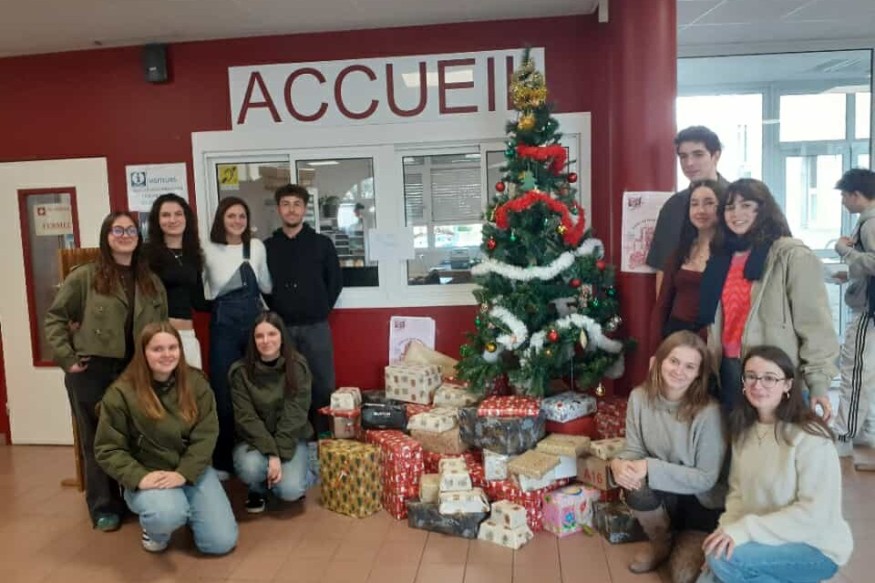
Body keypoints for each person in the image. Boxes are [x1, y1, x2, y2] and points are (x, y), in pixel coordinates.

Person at [45, 211, 167, 532]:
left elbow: (162, 327)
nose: (125, 235)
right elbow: (55, 318)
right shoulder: (85, 277)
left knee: (137, 436)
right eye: (117, 230)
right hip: (92, 369)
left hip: (136, 370)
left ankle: (136, 498)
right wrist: (67, 358)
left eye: (130, 230)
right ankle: (104, 507)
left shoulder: (150, 280)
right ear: (106, 236)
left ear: (138, 237)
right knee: (97, 439)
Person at [700, 346, 853, 583]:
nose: (757, 385)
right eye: (751, 376)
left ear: (787, 385)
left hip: (814, 546)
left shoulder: (810, 436)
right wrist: (724, 534)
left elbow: (814, 515)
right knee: (712, 567)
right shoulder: (744, 431)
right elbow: (737, 497)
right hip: (766, 539)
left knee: (723, 562)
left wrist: (743, 532)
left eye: (769, 378)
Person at [94, 322, 237, 555]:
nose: (167, 354)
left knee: (220, 543)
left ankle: (192, 512)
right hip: (152, 475)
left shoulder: (196, 383)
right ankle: (155, 531)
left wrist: (184, 473)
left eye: (172, 347)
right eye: (157, 349)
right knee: (167, 514)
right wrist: (139, 478)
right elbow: (108, 449)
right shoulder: (121, 393)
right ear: (143, 353)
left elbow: (206, 435)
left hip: (191, 471)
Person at [699, 178, 838, 415]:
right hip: (728, 369)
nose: (736, 214)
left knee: (778, 446)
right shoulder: (722, 257)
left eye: (746, 205)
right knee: (738, 446)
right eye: (730, 207)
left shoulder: (791, 255)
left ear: (763, 209)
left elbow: (816, 327)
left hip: (775, 374)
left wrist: (818, 384)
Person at [611, 331, 726, 583]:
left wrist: (648, 467)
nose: (679, 371)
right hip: (663, 495)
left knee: (684, 576)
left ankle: (684, 539)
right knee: (635, 485)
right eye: (674, 361)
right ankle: (661, 542)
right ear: (659, 361)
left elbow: (706, 478)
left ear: (698, 373)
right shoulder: (639, 398)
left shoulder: (709, 413)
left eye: (689, 366)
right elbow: (633, 449)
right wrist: (618, 463)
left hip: (700, 504)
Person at [264, 184, 342, 436]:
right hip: (281, 328)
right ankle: (292, 436)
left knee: (322, 384)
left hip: (316, 326)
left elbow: (335, 282)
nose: (291, 209)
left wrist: (320, 307)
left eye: (297, 204)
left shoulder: (322, 244)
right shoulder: (267, 247)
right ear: (278, 209)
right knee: (286, 385)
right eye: (286, 204)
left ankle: (322, 436)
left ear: (305, 209)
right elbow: (263, 285)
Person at [203, 196, 272, 475]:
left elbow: (266, 284)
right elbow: (204, 290)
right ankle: (222, 460)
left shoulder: (255, 247)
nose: (237, 221)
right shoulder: (207, 249)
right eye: (231, 215)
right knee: (223, 393)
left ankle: (257, 455)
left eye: (242, 216)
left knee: (259, 390)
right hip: (223, 328)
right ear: (221, 218)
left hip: (255, 327)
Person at [230, 311, 313, 513]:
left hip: (291, 437)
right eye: (259, 336)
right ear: (253, 340)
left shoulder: (297, 366)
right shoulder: (239, 372)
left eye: (272, 334)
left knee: (291, 491)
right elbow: (246, 418)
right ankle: (257, 488)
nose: (266, 340)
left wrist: (279, 451)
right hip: (254, 441)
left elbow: (295, 415)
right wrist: (272, 454)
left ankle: (304, 471)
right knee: (250, 467)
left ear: (282, 336)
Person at [647, 126, 729, 293]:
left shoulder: (737, 200)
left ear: (716, 155)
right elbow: (663, 269)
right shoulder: (673, 206)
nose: (689, 163)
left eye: (698, 154)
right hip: (684, 307)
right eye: (683, 157)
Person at [650, 180, 726, 352]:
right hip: (674, 337)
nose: (700, 210)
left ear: (722, 209)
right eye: (694, 204)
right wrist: (655, 351)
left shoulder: (729, 255)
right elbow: (662, 305)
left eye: (709, 203)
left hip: (711, 342)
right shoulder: (680, 252)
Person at [832, 168, 875, 471]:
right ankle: (862, 429)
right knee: (865, 370)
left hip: (868, 311)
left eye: (845, 196)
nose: (845, 202)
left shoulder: (870, 223)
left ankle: (845, 434)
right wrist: (850, 273)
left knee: (855, 369)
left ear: (856, 195)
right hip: (869, 305)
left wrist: (843, 250)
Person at [143, 193, 209, 368]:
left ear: (186, 218)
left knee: (192, 391)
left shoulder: (193, 254)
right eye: (165, 215)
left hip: (188, 334)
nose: (172, 220)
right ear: (157, 221)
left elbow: (198, 301)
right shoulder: (146, 254)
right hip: (159, 336)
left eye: (178, 214)